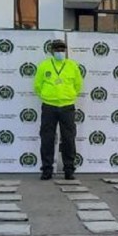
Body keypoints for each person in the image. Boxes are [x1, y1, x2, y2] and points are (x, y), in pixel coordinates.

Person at [33, 39, 83, 180]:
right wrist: (45, 95)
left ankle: (69, 169)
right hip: (49, 105)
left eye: (62, 49)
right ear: (51, 51)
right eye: (57, 50)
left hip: (67, 106)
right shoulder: (44, 66)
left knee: (68, 138)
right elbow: (37, 84)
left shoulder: (72, 66)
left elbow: (78, 84)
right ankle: (47, 169)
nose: (60, 52)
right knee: (47, 138)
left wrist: (71, 95)